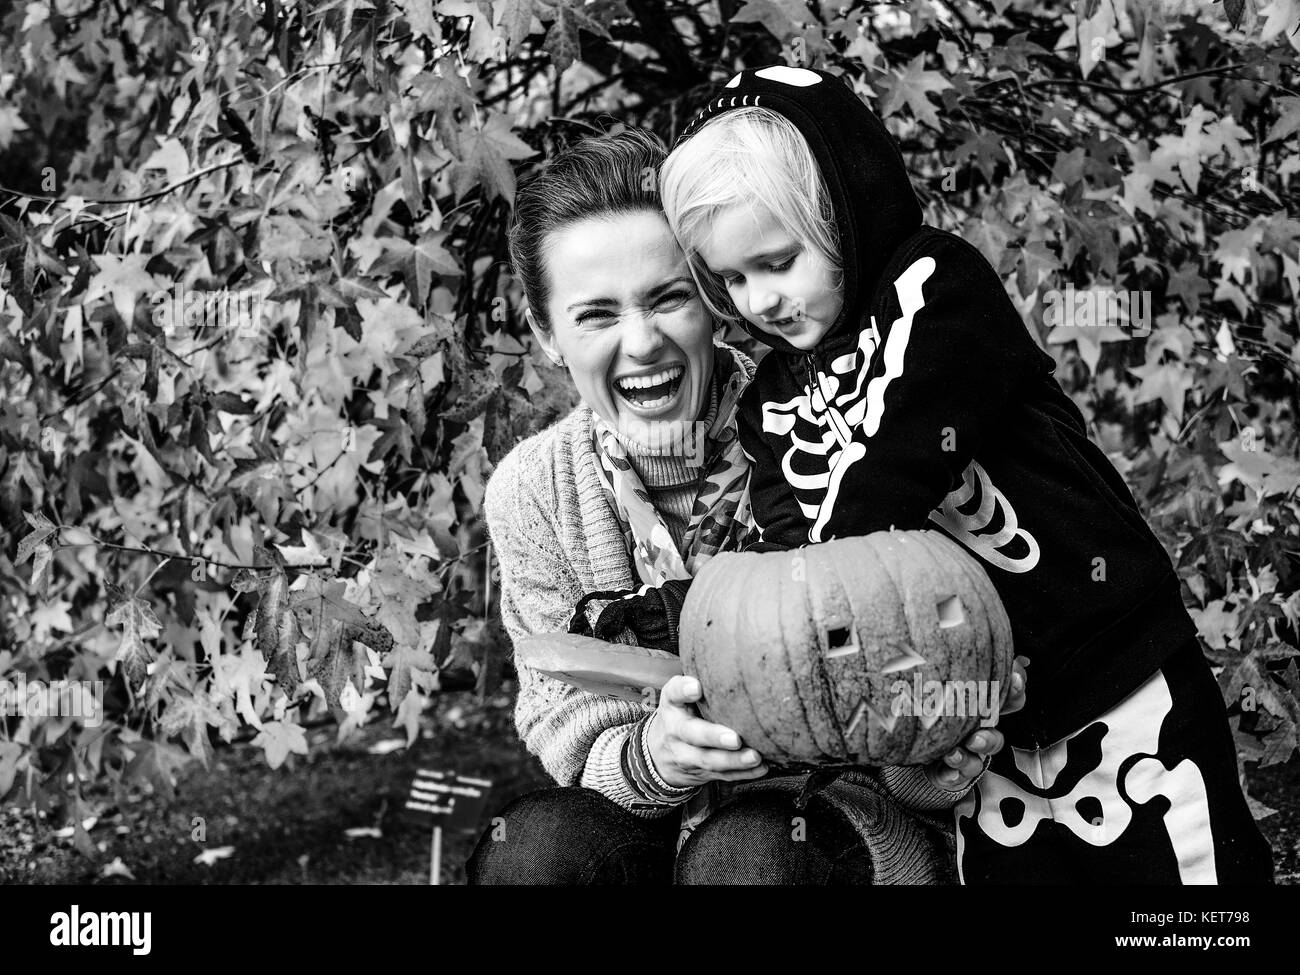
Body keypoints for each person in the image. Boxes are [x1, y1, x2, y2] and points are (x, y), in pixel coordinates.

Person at [657, 65, 1274, 884]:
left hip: (1113, 663)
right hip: (975, 715)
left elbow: (894, 455)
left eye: (777, 262)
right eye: (732, 279)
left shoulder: (935, 288)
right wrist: (697, 624)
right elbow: (786, 561)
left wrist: (813, 580)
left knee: (1189, 888)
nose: (759, 300)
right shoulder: (772, 399)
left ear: (845, 214)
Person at [467, 128, 1020, 885]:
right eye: (596, 314)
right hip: (649, 829)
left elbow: (908, 677)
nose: (643, 343)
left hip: (825, 832)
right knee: (527, 851)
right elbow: (566, 725)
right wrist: (654, 756)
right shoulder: (534, 490)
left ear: (711, 296)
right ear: (546, 334)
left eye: (669, 298)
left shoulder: (834, 429)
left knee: (750, 857)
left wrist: (941, 757)